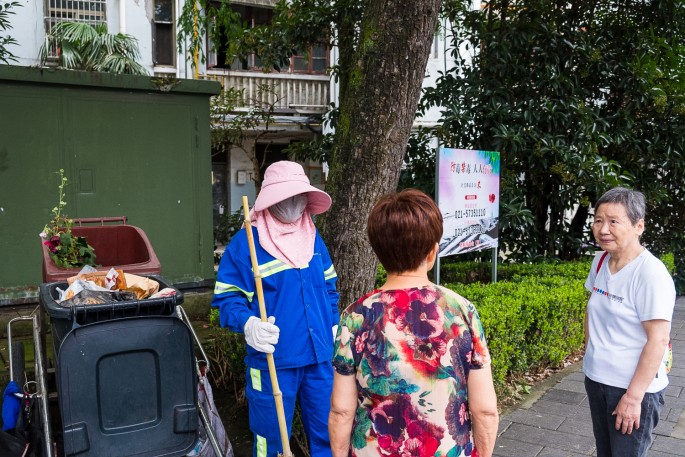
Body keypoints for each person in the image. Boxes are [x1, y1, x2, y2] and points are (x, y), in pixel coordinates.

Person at [328, 189, 499, 457]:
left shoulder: (355, 316)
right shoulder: (462, 312)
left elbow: (341, 410)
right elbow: (485, 409)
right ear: (432, 253)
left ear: (378, 252)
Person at [212, 161, 340, 457]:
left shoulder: (313, 238)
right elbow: (228, 299)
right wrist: (248, 325)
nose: (293, 203)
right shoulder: (246, 244)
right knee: (270, 439)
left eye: (298, 196)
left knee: (328, 434)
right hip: (272, 359)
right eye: (286, 196)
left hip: (320, 357)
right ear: (270, 199)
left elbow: (329, 288)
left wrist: (331, 323)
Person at [583, 186, 676, 457]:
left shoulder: (650, 274)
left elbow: (657, 340)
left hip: (632, 389)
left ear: (639, 226)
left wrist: (634, 398)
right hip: (598, 379)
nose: (603, 229)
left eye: (614, 221)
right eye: (599, 220)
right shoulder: (600, 261)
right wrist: (592, 352)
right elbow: (592, 310)